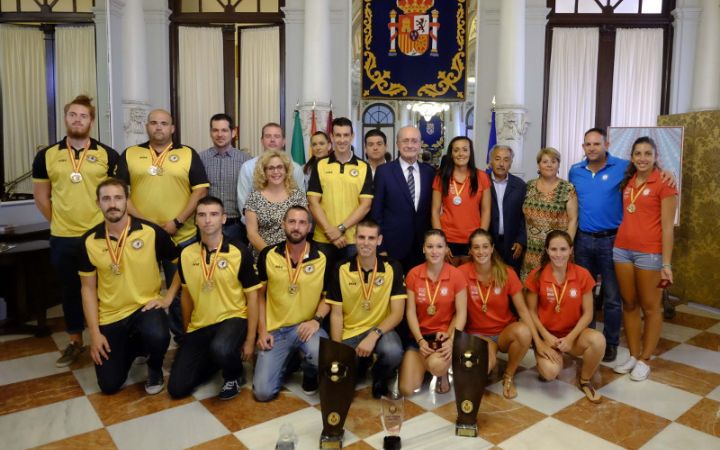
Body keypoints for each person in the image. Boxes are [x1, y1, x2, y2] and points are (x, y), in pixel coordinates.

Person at [569, 128, 675, 363]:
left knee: (614, 299)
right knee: (588, 297)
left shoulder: (621, 168)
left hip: (612, 240)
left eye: (597, 143)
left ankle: (613, 345)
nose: (592, 148)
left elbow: (648, 171)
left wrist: (666, 173)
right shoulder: (576, 171)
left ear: (606, 144)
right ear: (583, 147)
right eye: (588, 144)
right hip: (588, 241)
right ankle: (589, 341)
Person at [32, 95, 119, 367]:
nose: (78, 120)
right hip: (63, 238)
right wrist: (60, 221)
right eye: (73, 115)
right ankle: (74, 342)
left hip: (98, 236)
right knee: (70, 291)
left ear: (91, 121)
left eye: (83, 116)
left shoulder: (108, 154)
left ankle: (107, 337)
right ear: (66, 118)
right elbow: (41, 199)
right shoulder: (46, 155)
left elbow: (116, 196)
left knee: (106, 288)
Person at [115, 109, 209, 341]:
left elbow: (201, 191)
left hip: (181, 235)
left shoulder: (188, 154)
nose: (159, 127)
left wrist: (177, 221)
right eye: (154, 123)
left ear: (172, 128)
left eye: (164, 123)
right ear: (147, 127)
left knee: (181, 291)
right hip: (140, 236)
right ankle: (141, 341)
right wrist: (147, 224)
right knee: (139, 289)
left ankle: (181, 337)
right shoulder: (130, 154)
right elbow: (119, 192)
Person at [78, 178, 179, 395]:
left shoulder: (151, 232)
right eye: (106, 199)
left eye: (118, 198)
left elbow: (182, 264)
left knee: (158, 334)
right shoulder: (88, 241)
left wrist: (168, 297)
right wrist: (94, 334)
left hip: (145, 307)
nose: (112, 204)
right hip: (111, 315)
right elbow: (87, 289)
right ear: (98, 203)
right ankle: (135, 347)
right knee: (109, 385)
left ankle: (154, 365)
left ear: (127, 201)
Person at [168, 196, 261, 400]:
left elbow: (253, 297)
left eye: (213, 214)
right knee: (177, 389)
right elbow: (186, 297)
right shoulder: (186, 254)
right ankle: (216, 360)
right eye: (202, 215)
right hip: (200, 325)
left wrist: (250, 339)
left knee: (221, 347)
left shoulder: (238, 251)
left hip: (233, 318)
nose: (207, 220)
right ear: (196, 221)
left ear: (224, 219)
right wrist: (186, 332)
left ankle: (234, 375)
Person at [612, 137, 677, 381]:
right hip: (621, 250)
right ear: (632, 157)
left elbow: (668, 228)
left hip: (649, 253)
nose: (642, 158)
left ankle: (645, 359)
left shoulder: (665, 183)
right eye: (637, 153)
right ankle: (633, 354)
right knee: (628, 304)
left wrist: (666, 264)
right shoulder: (628, 180)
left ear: (655, 156)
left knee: (651, 307)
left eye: (647, 153)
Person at [253, 206, 330, 401]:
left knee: (322, 355)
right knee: (262, 393)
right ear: (283, 224)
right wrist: (262, 331)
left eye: (302, 222)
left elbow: (328, 298)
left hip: (305, 328)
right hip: (276, 331)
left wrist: (316, 320)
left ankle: (309, 371)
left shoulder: (323, 257)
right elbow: (259, 296)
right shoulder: (268, 255)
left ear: (309, 227)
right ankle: (288, 361)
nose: (297, 227)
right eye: (292, 222)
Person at [327, 219, 406, 398]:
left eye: (371, 238)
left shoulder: (393, 267)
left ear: (379, 240)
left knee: (393, 352)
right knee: (339, 386)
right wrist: (338, 350)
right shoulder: (341, 268)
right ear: (354, 239)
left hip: (380, 330)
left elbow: (397, 314)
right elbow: (336, 314)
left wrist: (373, 335)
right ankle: (360, 364)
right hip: (350, 332)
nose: (366, 243)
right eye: (361, 237)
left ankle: (380, 377)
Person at [524, 230, 606, 403]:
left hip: (573, 335)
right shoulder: (537, 275)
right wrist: (545, 337)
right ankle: (549, 359)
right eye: (554, 249)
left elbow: (589, 313)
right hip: (547, 335)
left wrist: (570, 338)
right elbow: (530, 311)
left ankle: (584, 380)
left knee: (598, 340)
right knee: (550, 373)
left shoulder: (582, 274)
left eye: (563, 249)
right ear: (546, 250)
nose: (558, 254)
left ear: (571, 250)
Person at [458, 229, 537, 399]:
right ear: (470, 251)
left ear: (492, 248)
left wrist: (538, 341)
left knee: (524, 332)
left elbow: (523, 310)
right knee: (483, 368)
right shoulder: (461, 273)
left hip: (504, 332)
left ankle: (508, 376)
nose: (481, 252)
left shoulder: (506, 272)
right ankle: (491, 361)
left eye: (485, 246)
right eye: (476, 247)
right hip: (479, 335)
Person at [399, 229, 467, 396]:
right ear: (423, 249)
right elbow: (410, 313)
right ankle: (426, 363)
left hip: (442, 338)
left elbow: (461, 312)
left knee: (437, 366)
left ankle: (439, 370)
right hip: (420, 338)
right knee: (406, 389)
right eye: (430, 246)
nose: (434, 251)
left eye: (439, 246)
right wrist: (420, 341)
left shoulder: (456, 275)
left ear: (446, 249)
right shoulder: (413, 274)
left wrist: (451, 339)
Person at [308, 117, 373, 269]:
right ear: (331, 137)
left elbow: (365, 206)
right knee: (322, 287)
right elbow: (313, 202)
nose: (342, 140)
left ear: (352, 136)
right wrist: (329, 231)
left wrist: (340, 229)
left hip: (351, 240)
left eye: (346, 135)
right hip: (323, 238)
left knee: (349, 287)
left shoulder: (364, 167)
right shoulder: (320, 165)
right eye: (338, 135)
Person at [371, 126, 435, 273]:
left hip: (423, 246)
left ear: (420, 145)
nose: (410, 145)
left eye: (414, 141)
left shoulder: (430, 172)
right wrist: (380, 246)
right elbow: (377, 213)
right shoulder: (384, 172)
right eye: (405, 141)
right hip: (393, 246)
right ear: (397, 144)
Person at [521, 147, 578, 280]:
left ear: (558, 165)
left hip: (557, 250)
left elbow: (573, 220)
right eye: (545, 161)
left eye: (553, 161)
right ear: (538, 165)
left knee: (555, 287)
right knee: (531, 287)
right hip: (531, 249)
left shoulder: (567, 188)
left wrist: (565, 247)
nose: (549, 165)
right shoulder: (528, 186)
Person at [431, 136, 491, 258]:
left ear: (470, 152)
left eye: (465, 149)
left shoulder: (482, 177)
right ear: (451, 154)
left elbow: (486, 211)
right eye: (456, 150)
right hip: (447, 239)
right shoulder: (441, 177)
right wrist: (441, 243)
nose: (460, 154)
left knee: (470, 276)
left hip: (473, 239)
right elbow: (434, 212)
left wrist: (480, 241)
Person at [245, 150, 308, 259]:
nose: (276, 171)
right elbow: (252, 234)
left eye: (280, 167)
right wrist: (272, 256)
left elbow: (304, 227)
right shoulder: (254, 197)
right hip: (264, 255)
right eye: (271, 168)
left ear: (286, 170)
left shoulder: (298, 196)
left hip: (294, 255)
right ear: (263, 171)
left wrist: (289, 255)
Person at [199, 113, 251, 242]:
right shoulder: (199, 159)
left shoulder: (245, 160)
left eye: (224, 130)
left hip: (236, 226)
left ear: (233, 133)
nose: (220, 134)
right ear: (210, 133)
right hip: (207, 225)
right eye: (215, 130)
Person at [236, 123, 305, 218]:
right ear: (262, 141)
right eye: (268, 136)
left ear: (284, 141)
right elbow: (243, 203)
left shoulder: (295, 168)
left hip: (290, 229)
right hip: (257, 227)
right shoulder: (247, 167)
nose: (272, 140)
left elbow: (301, 203)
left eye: (277, 136)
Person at [487, 145, 527, 276]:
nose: (501, 163)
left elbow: (524, 216)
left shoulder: (520, 185)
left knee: (511, 280)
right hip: (488, 242)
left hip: (512, 244)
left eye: (506, 160)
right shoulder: (482, 182)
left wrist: (521, 240)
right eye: (497, 159)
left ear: (510, 163)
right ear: (491, 161)